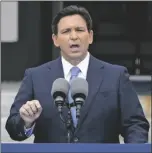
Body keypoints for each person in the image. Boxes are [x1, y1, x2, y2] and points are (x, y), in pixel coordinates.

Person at [5, 5, 149, 143]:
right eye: (66, 31)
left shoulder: (116, 76)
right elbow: (13, 127)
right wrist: (26, 122)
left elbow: (135, 124)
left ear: (90, 36)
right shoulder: (35, 77)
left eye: (79, 30)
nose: (74, 36)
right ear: (55, 40)